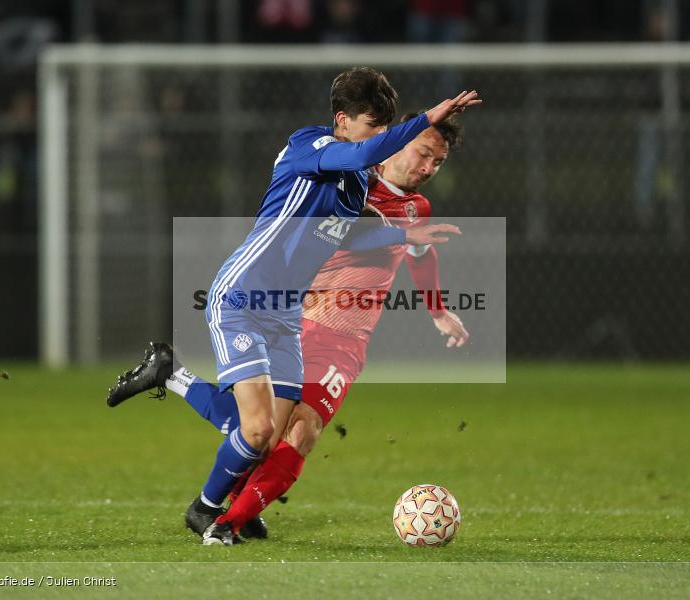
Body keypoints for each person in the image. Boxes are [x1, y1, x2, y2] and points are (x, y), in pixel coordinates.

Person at [106, 66, 480, 546]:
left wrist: (411, 245)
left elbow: (360, 226)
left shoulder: (360, 187)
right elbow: (365, 154)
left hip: (285, 315)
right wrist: (430, 115)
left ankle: (175, 387)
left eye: (389, 130)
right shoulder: (311, 145)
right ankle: (212, 513)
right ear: (342, 121)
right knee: (267, 429)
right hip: (244, 297)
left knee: (266, 433)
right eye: (375, 127)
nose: (382, 140)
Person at [216, 112, 468, 536]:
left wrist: (438, 310)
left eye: (437, 163)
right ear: (396, 141)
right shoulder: (349, 179)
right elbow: (332, 230)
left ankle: (226, 522)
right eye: (423, 153)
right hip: (290, 320)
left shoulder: (415, 208)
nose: (427, 168)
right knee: (265, 429)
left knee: (302, 430)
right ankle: (179, 384)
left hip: (342, 338)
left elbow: (423, 257)